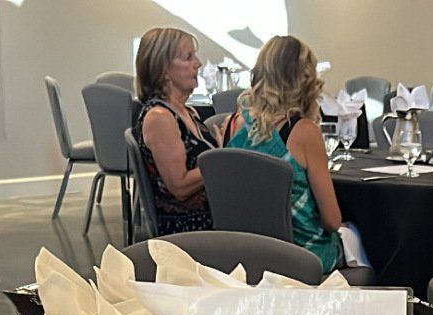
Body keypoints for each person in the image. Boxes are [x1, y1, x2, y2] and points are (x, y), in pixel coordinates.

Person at [221, 35, 345, 275]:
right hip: (299, 255)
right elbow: (332, 221)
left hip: (245, 254)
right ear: (304, 79)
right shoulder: (304, 132)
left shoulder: (233, 125)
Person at [135, 26, 218, 235]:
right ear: (163, 70)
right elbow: (180, 186)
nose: (198, 63)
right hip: (190, 230)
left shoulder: (187, 112)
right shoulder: (160, 118)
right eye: (188, 57)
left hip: (211, 219)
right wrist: (223, 159)